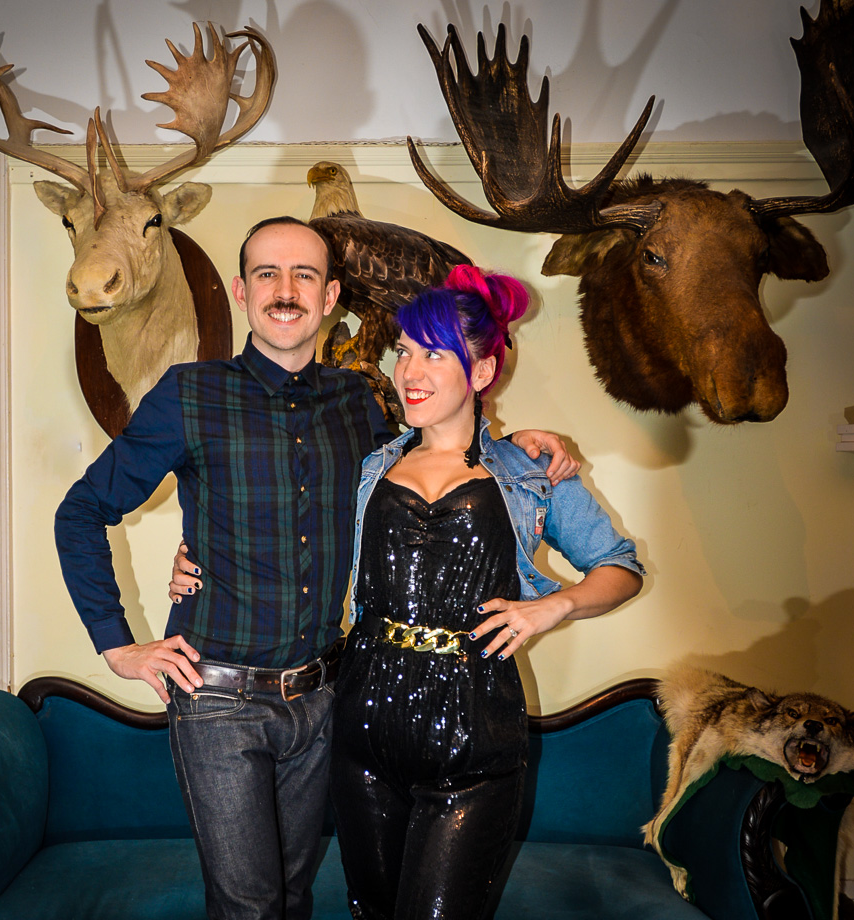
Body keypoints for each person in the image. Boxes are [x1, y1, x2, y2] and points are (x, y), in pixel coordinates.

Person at [55, 216, 577, 920]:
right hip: (218, 700)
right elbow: (81, 511)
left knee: (295, 897)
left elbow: (437, 453)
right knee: (248, 905)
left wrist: (522, 443)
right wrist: (118, 643)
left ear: (331, 297)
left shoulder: (361, 404)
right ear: (241, 291)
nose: (285, 289)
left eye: (304, 274)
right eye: (267, 273)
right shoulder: (189, 395)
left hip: (328, 695)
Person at [329, 265, 644, 920]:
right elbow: (302, 547)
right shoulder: (372, 467)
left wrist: (555, 604)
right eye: (406, 351)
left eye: (434, 354)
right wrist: (196, 558)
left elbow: (618, 565)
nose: (409, 370)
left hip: (474, 741)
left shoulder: (530, 469)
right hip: (362, 731)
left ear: (479, 374)